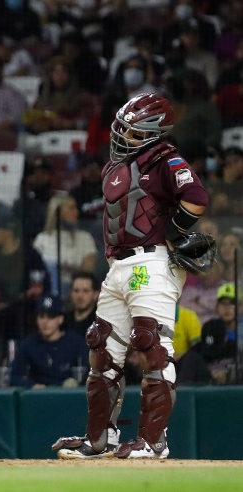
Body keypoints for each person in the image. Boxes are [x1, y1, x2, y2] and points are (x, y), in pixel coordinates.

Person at [52, 92, 210, 460]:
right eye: (121, 128)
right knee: (102, 350)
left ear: (154, 131)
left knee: (151, 345)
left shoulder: (165, 160)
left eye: (131, 130)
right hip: (118, 266)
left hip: (152, 263)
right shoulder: (116, 166)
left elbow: (196, 196)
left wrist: (173, 232)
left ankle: (154, 442)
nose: (122, 135)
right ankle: (99, 440)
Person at [9, 295, 89, 389]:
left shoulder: (75, 343)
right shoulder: (28, 345)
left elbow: (88, 374)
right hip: (38, 398)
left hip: (68, 397)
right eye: (41, 317)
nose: (45, 322)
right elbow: (13, 377)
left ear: (60, 319)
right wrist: (32, 386)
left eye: (50, 317)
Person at [61, 272, 99, 337]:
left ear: (95, 295)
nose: (80, 295)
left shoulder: (101, 323)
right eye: (76, 291)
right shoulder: (63, 321)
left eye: (86, 291)